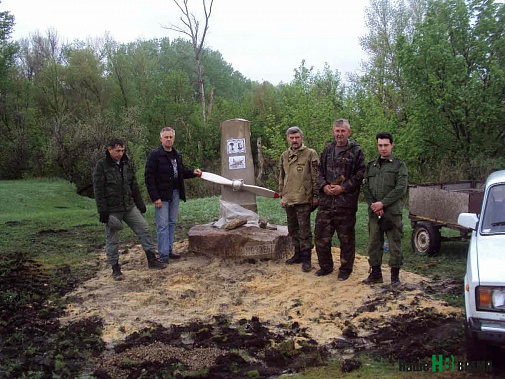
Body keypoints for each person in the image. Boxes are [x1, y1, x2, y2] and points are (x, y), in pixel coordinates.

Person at [93, 138, 166, 281]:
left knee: (144, 229)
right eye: (117, 151)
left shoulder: (126, 163)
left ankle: (152, 259)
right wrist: (103, 211)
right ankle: (115, 268)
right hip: (112, 209)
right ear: (109, 149)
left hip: (129, 206)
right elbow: (98, 190)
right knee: (112, 239)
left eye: (122, 150)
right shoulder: (101, 165)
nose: (120, 153)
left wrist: (140, 204)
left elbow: (133, 185)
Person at [314, 119, 366, 279]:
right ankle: (326, 266)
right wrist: (323, 186)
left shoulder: (356, 151)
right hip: (326, 203)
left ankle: (345, 269)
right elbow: (318, 172)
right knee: (321, 237)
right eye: (337, 131)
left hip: (345, 205)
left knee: (346, 240)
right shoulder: (328, 150)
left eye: (343, 131)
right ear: (333, 132)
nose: (340, 134)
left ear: (349, 132)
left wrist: (342, 188)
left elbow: (360, 175)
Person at [145, 127, 201, 264]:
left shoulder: (177, 154)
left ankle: (169, 250)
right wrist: (155, 197)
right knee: (162, 225)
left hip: (175, 193)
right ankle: (163, 255)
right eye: (166, 137)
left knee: (171, 223)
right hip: (161, 195)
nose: (168, 139)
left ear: (174, 138)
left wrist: (193, 172)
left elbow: (180, 173)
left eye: (171, 137)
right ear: (161, 139)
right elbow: (149, 177)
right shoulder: (155, 155)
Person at [362, 131, 408, 285]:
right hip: (375, 213)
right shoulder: (371, 166)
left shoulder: (399, 165)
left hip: (392, 212)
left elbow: (401, 188)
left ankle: (395, 276)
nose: (383, 148)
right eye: (380, 145)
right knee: (374, 243)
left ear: (392, 145)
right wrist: (374, 205)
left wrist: (383, 203)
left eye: (386, 145)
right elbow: (366, 187)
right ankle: (375, 274)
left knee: (394, 243)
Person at [279, 126, 319, 272]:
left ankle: (307, 258)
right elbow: (281, 177)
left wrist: (316, 195)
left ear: (301, 138)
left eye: (297, 137)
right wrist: (282, 195)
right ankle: (298, 254)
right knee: (293, 228)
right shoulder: (284, 155)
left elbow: (316, 176)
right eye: (291, 137)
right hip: (289, 198)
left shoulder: (310, 153)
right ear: (288, 139)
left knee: (304, 230)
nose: (294, 140)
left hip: (304, 198)